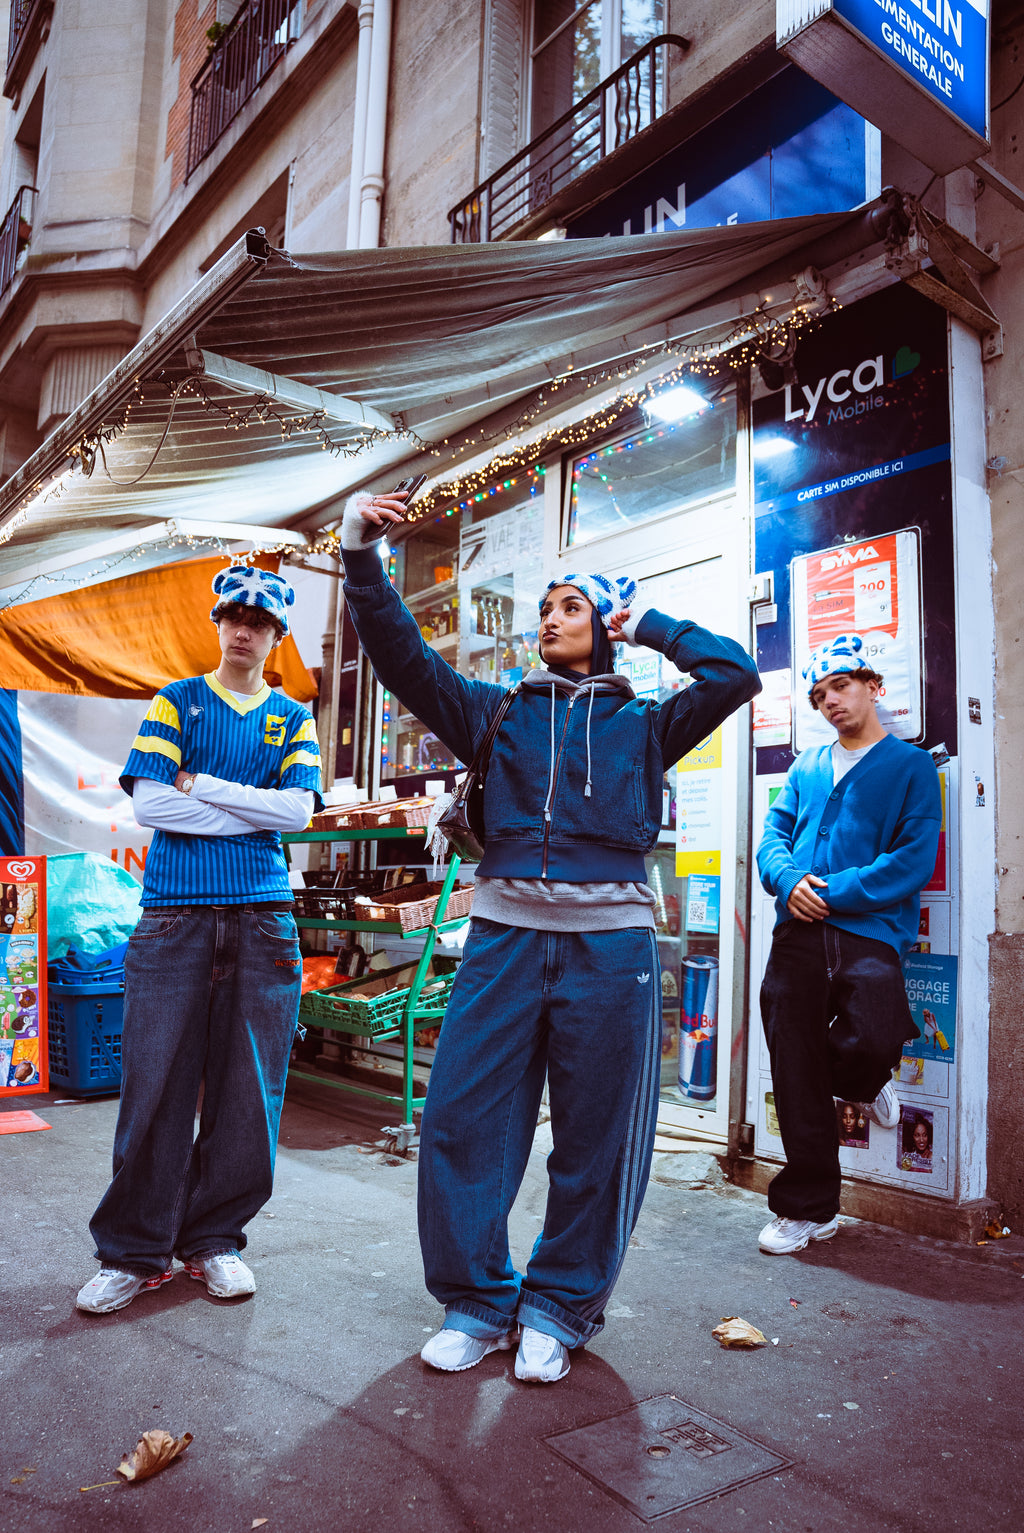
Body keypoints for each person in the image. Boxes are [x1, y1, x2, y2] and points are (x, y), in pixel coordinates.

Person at [340, 488, 760, 1382]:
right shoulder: (496, 711)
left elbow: (733, 675)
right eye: (544, 608)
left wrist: (646, 618)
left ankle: (561, 1303)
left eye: (572, 606)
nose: (550, 619)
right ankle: (477, 1299)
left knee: (600, 1133)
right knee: (463, 1119)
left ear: (604, 625)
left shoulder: (647, 724)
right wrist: (357, 554)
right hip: (500, 939)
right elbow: (404, 659)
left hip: (612, 951)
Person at [76, 566, 323, 1314]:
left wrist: (202, 785)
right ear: (218, 622)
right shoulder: (176, 700)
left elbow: (297, 814)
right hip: (175, 915)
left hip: (261, 916)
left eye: (261, 620)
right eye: (233, 615)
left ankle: (214, 1240)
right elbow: (150, 800)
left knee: (251, 1093)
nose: (244, 628)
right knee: (154, 1084)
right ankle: (133, 1251)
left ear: (278, 635)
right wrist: (246, 807)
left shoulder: (291, 716)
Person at [756, 633, 941, 1255]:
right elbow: (773, 837)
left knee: (872, 1036)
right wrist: (787, 882)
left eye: (840, 686)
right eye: (819, 694)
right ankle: (810, 1211)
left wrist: (832, 891)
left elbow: (913, 858)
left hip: (869, 932)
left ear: (872, 687)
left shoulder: (911, 767)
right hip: (798, 932)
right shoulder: (806, 766)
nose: (830, 701)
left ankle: (866, 1080)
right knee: (794, 1060)